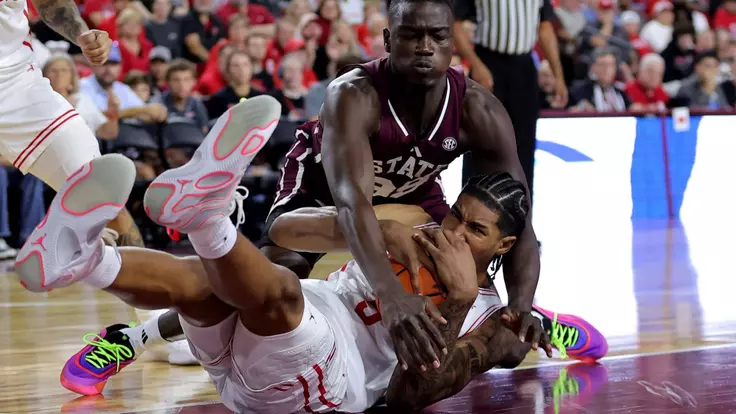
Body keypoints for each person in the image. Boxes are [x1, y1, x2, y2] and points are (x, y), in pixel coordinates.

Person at [0, 0, 146, 265]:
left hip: (17, 89)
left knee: (103, 195)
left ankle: (153, 305)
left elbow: (50, 2)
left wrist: (81, 34)